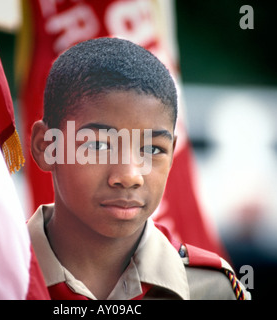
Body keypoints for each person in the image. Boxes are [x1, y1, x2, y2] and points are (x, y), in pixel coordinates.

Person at [28, 37, 250, 300]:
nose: (129, 176)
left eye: (153, 149)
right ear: (47, 146)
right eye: (98, 146)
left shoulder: (212, 290)